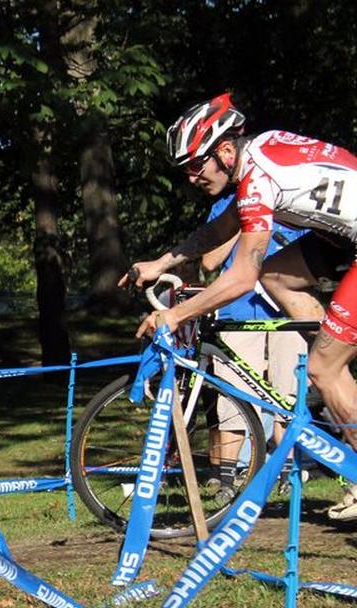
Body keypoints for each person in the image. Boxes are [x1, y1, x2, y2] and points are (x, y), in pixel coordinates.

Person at [123, 93, 357, 517]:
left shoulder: (260, 176)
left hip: (348, 239)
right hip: (340, 237)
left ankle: (333, 366)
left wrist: (175, 313)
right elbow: (218, 231)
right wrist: (160, 263)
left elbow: (239, 276)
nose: (191, 178)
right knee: (275, 274)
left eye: (195, 165)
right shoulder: (258, 156)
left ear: (225, 151)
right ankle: (334, 348)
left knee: (324, 369)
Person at [201, 194, 307, 505]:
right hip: (238, 312)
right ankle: (228, 482)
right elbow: (209, 262)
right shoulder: (225, 208)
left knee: (286, 397)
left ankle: (287, 476)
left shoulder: (289, 201)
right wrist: (239, 222)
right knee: (232, 400)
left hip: (286, 311)